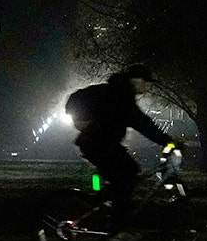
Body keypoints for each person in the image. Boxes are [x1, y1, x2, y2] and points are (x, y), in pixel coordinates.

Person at [64, 64, 180, 232]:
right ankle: (118, 228)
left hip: (100, 143)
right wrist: (169, 142)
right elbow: (142, 123)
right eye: (146, 82)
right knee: (128, 173)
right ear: (136, 80)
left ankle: (104, 204)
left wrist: (166, 141)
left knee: (127, 174)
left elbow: (140, 122)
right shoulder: (121, 95)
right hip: (97, 144)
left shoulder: (118, 91)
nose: (148, 87)